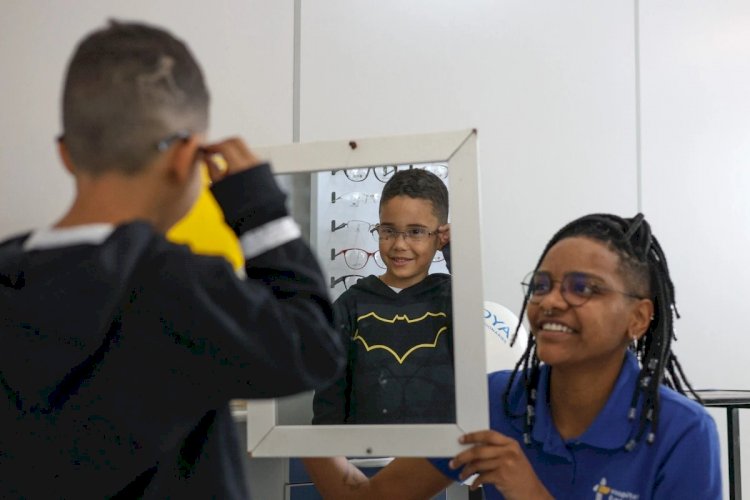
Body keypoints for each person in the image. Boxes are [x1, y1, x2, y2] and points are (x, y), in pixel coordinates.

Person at [0, 20, 344, 499]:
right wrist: (261, 212)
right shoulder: (176, 287)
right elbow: (313, 348)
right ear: (187, 158)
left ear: (66, 154)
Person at [304, 213, 722, 499]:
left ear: (638, 317)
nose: (551, 302)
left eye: (583, 288)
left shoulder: (681, 432)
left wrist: (529, 491)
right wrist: (290, 428)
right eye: (541, 285)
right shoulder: (496, 400)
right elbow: (370, 497)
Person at [312, 168, 452, 424]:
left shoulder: (452, 299)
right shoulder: (349, 306)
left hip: (439, 460)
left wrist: (455, 251)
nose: (399, 244)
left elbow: (478, 356)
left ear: (441, 237)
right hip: (364, 458)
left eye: (416, 232)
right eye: (388, 230)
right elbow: (328, 407)